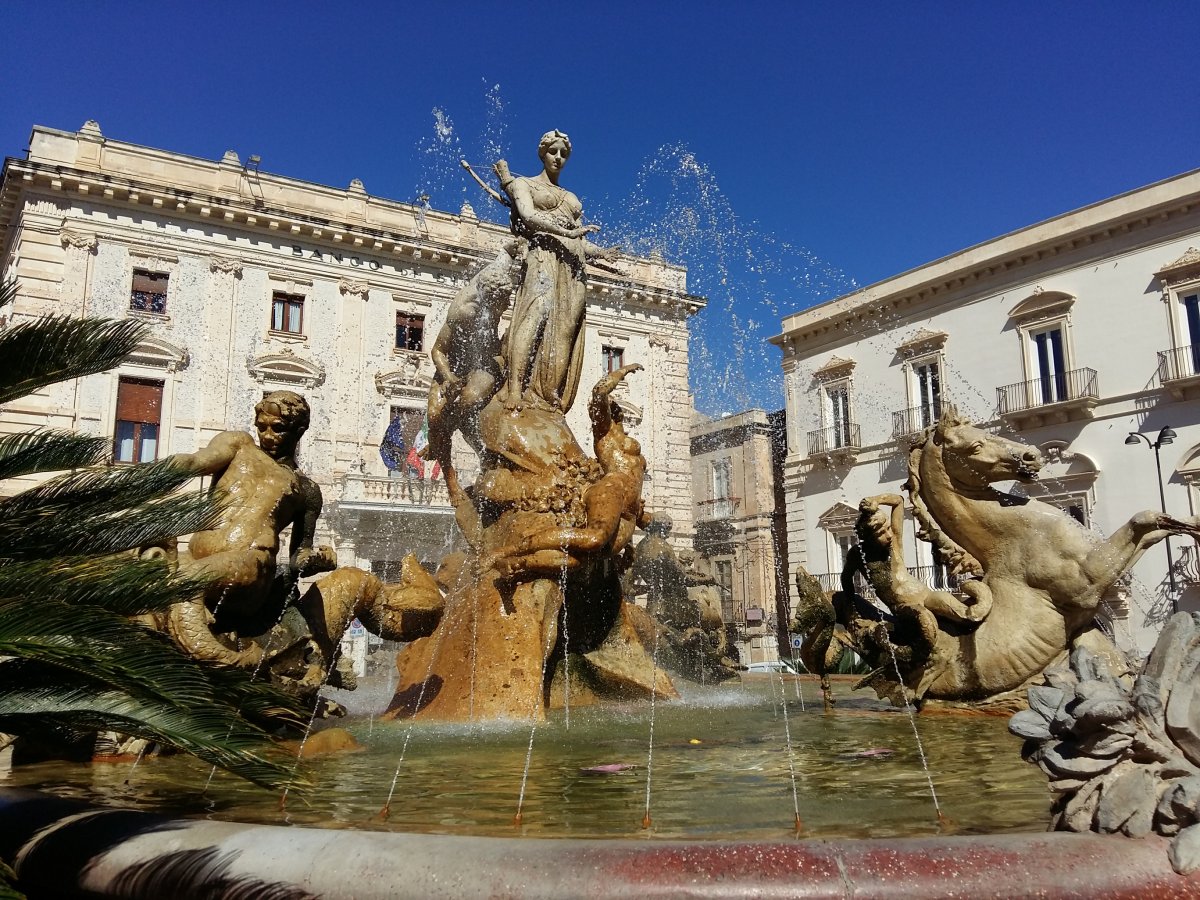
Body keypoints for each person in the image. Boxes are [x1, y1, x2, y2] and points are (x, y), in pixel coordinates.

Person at [162, 391, 335, 664]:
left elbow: (297, 559)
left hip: (250, 566)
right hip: (196, 557)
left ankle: (220, 659)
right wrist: (155, 474)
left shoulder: (306, 489)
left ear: (299, 431)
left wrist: (316, 560)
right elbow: (196, 461)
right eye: (261, 427)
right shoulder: (238, 444)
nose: (267, 436)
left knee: (188, 580)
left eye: (278, 429)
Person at [485, 364, 650, 579]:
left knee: (581, 561)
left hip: (630, 512)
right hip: (612, 491)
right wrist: (622, 371)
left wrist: (645, 517)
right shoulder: (606, 434)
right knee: (594, 539)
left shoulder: (623, 437)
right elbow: (599, 392)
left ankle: (519, 563)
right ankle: (508, 550)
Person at [498, 130, 620, 413]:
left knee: (566, 329)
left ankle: (549, 392)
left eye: (564, 154)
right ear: (542, 153)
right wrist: (570, 233)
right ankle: (515, 388)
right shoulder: (523, 184)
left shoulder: (570, 197)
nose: (558, 157)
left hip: (572, 267)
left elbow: (579, 240)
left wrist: (601, 253)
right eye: (553, 151)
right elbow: (528, 216)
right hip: (543, 256)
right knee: (533, 316)